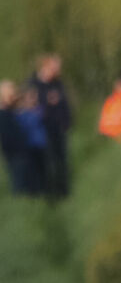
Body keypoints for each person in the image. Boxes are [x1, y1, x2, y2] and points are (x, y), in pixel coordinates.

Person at [28, 55, 72, 201]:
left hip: (58, 128)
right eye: (55, 68)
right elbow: (29, 107)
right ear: (45, 67)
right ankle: (49, 196)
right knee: (47, 163)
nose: (57, 71)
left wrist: (67, 122)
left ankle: (64, 193)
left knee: (62, 161)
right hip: (42, 130)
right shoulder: (33, 85)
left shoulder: (58, 83)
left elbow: (65, 104)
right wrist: (46, 101)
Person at [0, 80, 45, 196]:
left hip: (23, 154)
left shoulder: (12, 112)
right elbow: (8, 139)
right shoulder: (3, 116)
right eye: (11, 94)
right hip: (16, 156)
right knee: (20, 186)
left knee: (31, 185)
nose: (14, 96)